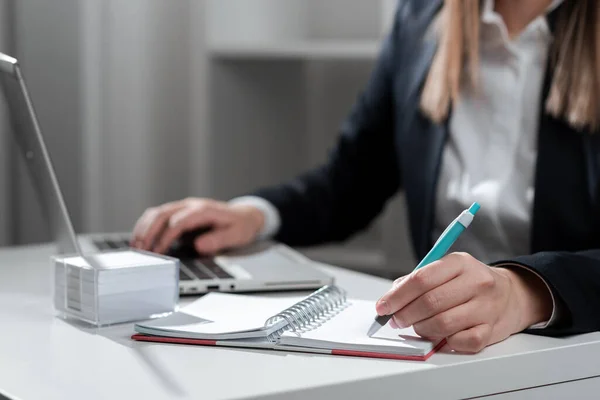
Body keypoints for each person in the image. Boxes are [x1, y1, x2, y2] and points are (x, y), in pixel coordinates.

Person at [131, 0, 600, 354]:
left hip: (566, 350)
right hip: (437, 348)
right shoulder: (420, 18)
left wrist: (526, 292)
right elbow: (351, 182)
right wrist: (252, 215)